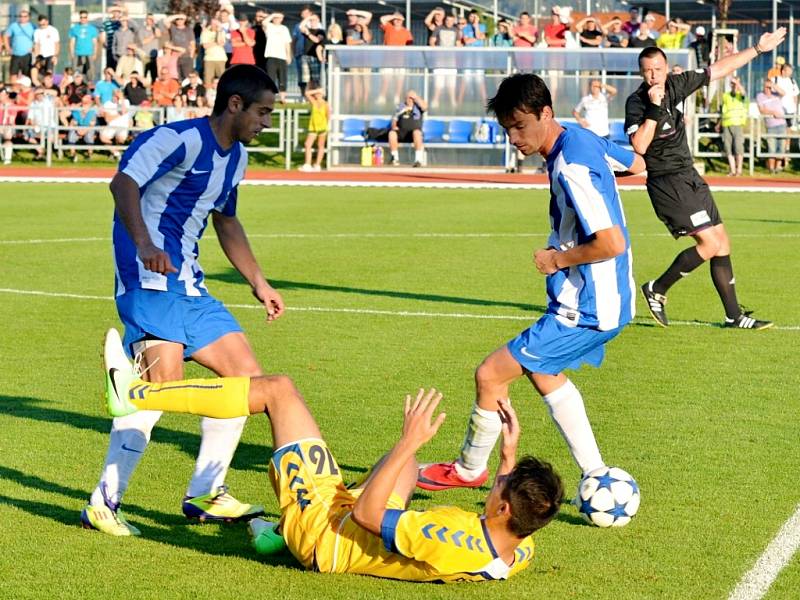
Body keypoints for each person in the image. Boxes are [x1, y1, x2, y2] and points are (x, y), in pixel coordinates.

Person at [102, 329, 565, 582]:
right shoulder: (519, 544)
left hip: (330, 533)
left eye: (499, 487)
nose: (495, 485)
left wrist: (410, 441)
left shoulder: (443, 538)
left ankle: (136, 394)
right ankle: (279, 532)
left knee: (278, 391)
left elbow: (367, 515)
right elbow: (502, 523)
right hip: (355, 526)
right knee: (403, 467)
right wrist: (508, 457)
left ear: (504, 507)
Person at [80, 65, 286, 537]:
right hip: (148, 281)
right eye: (262, 112)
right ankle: (103, 502)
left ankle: (206, 493)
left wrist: (259, 281)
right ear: (234, 104)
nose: (266, 123)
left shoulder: (237, 160)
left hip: (191, 285)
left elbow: (227, 222)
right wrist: (145, 244)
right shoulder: (176, 139)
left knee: (246, 380)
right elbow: (123, 183)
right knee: (159, 391)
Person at [418, 73, 645, 493]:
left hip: (590, 306)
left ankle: (469, 470)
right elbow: (637, 163)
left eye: (521, 126)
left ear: (546, 113)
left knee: (490, 374)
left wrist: (556, 258)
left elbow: (610, 242)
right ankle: (595, 472)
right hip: (600, 299)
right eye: (507, 129)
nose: (514, 138)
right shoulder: (579, 139)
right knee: (545, 373)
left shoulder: (572, 165)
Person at [626, 37, 785, 331]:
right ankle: (657, 288)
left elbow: (719, 69)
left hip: (689, 176)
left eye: (658, 69)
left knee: (722, 242)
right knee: (709, 243)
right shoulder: (636, 103)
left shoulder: (677, 84)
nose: (654, 75)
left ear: (665, 68)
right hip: (666, 182)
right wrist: (654, 107)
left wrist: (759, 49)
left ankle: (734, 316)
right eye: (648, 70)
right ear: (641, 72)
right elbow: (640, 145)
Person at [756, 78, 787, 173]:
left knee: (781, 147)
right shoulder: (760, 96)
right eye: (766, 87)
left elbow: (783, 93)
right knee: (771, 148)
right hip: (771, 125)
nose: (767, 89)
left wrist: (773, 86)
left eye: (769, 87)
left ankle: (778, 168)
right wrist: (773, 112)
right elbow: (762, 110)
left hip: (781, 124)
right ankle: (771, 168)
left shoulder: (776, 94)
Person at [388, 91, 427, 167]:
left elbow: (425, 107)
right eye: (408, 97)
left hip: (413, 134)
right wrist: (394, 126)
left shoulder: (418, 107)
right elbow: (394, 119)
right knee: (391, 133)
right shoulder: (400, 107)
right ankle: (395, 159)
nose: (409, 99)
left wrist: (416, 97)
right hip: (401, 133)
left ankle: (418, 160)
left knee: (417, 133)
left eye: (411, 98)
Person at [720, 76, 748, 176]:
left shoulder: (741, 96)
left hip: (737, 124)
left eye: (735, 84)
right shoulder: (726, 95)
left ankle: (739, 170)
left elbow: (744, 94)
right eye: (732, 83)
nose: (734, 85)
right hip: (726, 124)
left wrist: (737, 84)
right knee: (728, 147)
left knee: (738, 147)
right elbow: (723, 110)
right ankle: (732, 170)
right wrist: (719, 123)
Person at [263, 12, 292, 104]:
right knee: (271, 78)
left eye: (279, 18)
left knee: (282, 78)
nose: (277, 19)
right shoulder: (269, 26)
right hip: (271, 55)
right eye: (276, 18)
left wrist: (288, 55)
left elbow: (287, 43)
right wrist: (273, 14)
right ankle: (270, 97)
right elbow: (264, 22)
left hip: (282, 56)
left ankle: (282, 98)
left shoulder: (284, 29)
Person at [299, 81, 328, 171]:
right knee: (308, 144)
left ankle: (317, 165)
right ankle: (307, 164)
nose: (317, 95)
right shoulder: (314, 102)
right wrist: (317, 90)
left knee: (320, 145)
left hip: (322, 128)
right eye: (316, 94)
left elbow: (328, 116)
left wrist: (327, 127)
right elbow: (307, 93)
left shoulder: (326, 104)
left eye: (319, 94)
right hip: (313, 127)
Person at [69, 10, 100, 80]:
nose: (83, 19)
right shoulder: (74, 28)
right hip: (78, 54)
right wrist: (72, 53)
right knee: (77, 73)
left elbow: (95, 42)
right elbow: (72, 42)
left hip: (89, 54)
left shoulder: (92, 29)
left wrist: (95, 53)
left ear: (87, 18)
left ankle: (89, 87)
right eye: (81, 17)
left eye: (85, 17)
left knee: (90, 74)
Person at [4, 9, 35, 77]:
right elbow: (6, 36)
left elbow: (38, 39)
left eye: (25, 16)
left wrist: (33, 48)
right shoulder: (13, 25)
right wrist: (8, 48)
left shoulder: (33, 27)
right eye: (21, 16)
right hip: (15, 54)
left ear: (28, 17)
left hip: (27, 55)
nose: (22, 18)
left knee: (27, 76)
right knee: (13, 75)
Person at [165, 14, 195, 81]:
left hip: (186, 57)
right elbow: (166, 21)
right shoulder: (173, 28)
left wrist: (191, 57)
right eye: (178, 19)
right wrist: (178, 15)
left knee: (187, 78)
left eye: (181, 19)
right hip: (174, 57)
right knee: (176, 78)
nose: (179, 20)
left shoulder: (189, 30)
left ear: (184, 20)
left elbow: (192, 44)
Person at [201, 19, 227, 87]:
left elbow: (221, 43)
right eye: (212, 24)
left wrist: (219, 31)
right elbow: (205, 46)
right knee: (208, 81)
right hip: (209, 59)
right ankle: (208, 95)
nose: (214, 26)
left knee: (223, 80)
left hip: (221, 59)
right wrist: (215, 43)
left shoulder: (222, 32)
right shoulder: (205, 32)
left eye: (216, 24)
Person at [136, 14, 162, 84]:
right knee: (144, 75)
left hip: (154, 57)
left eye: (151, 19)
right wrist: (153, 36)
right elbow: (143, 42)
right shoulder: (141, 30)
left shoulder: (155, 29)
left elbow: (159, 35)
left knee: (154, 76)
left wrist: (155, 25)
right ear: (146, 20)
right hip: (145, 56)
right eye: (148, 19)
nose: (150, 21)